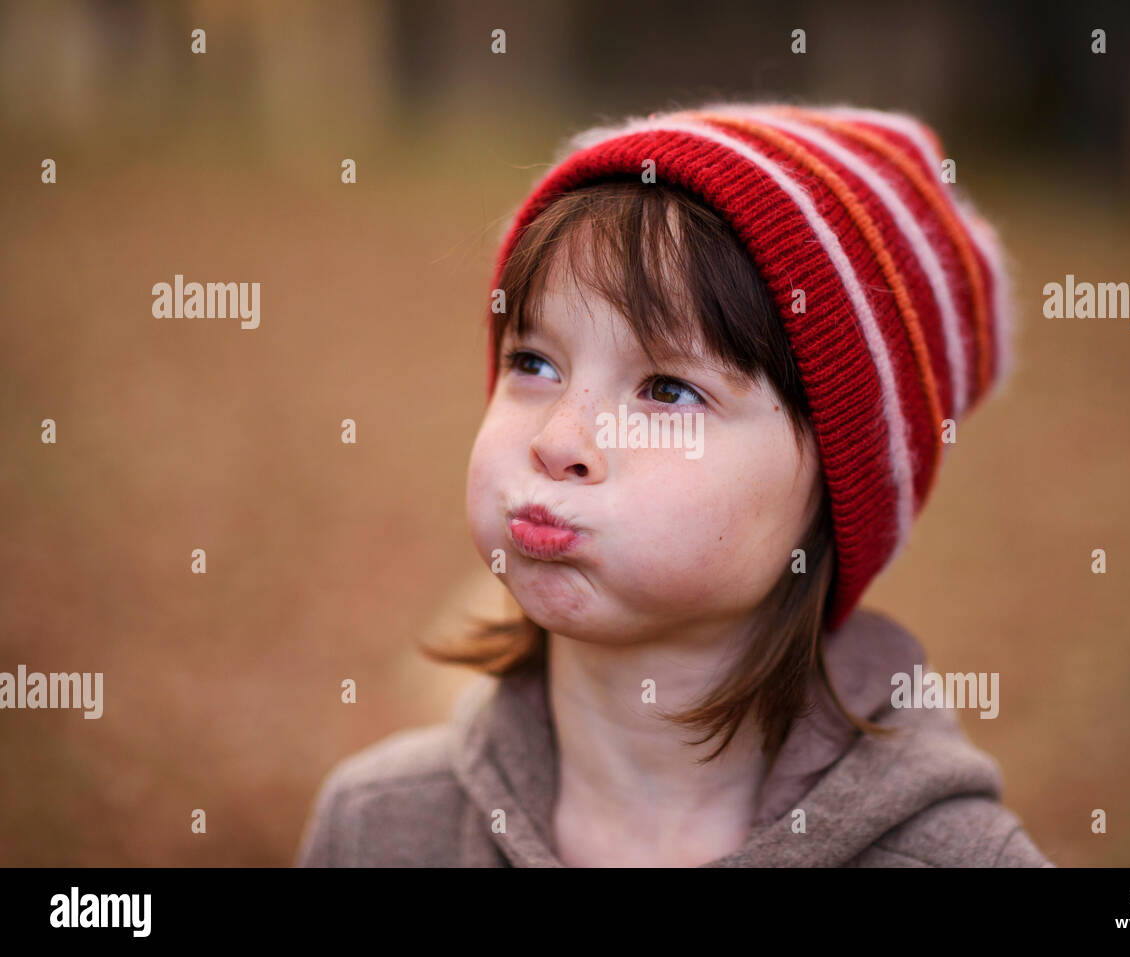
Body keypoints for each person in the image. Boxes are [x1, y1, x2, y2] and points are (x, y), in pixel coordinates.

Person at [295, 101, 1052, 867]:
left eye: (668, 389)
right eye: (533, 363)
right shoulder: (376, 830)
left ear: (835, 488)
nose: (559, 440)